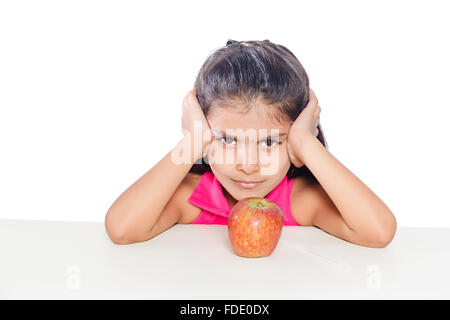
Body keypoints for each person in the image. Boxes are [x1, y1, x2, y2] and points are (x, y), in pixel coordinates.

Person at [105, 39, 397, 248]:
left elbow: (378, 233)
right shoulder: (195, 198)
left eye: (269, 141)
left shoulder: (296, 202)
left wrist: (306, 145)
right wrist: (194, 140)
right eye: (228, 139)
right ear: (205, 134)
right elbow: (122, 229)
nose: (248, 165)